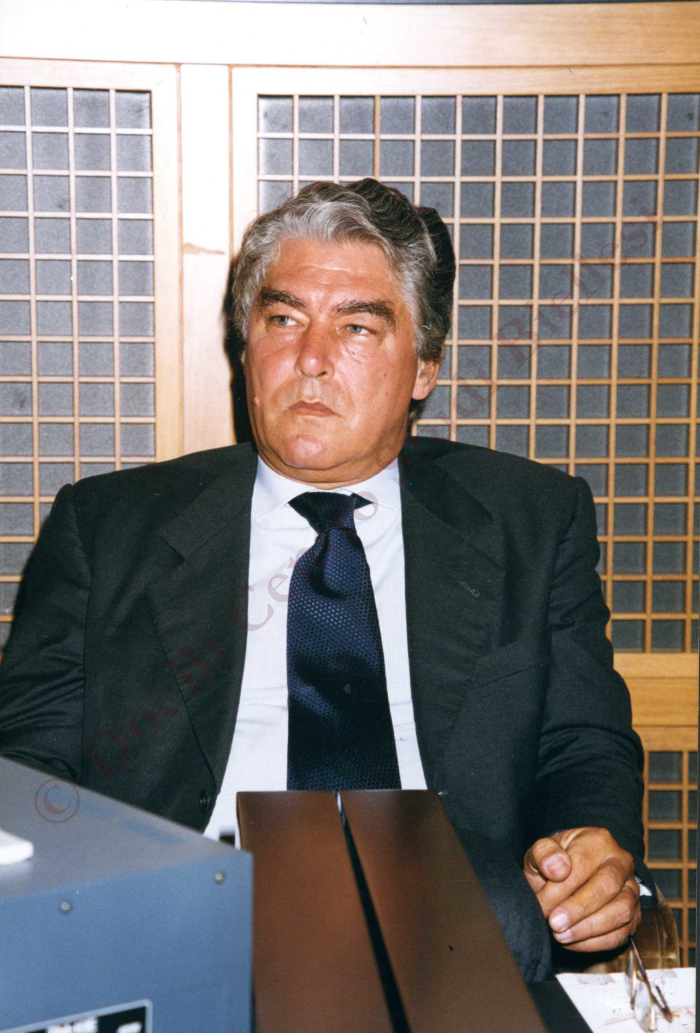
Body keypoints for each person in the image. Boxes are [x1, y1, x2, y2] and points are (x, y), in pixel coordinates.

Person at [0, 179, 653, 982]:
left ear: (423, 367)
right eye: (283, 319)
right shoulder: (105, 528)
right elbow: (30, 774)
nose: (310, 359)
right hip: (184, 931)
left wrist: (591, 851)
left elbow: (581, 743)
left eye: (356, 326)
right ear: (246, 347)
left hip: (455, 932)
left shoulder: (533, 520)